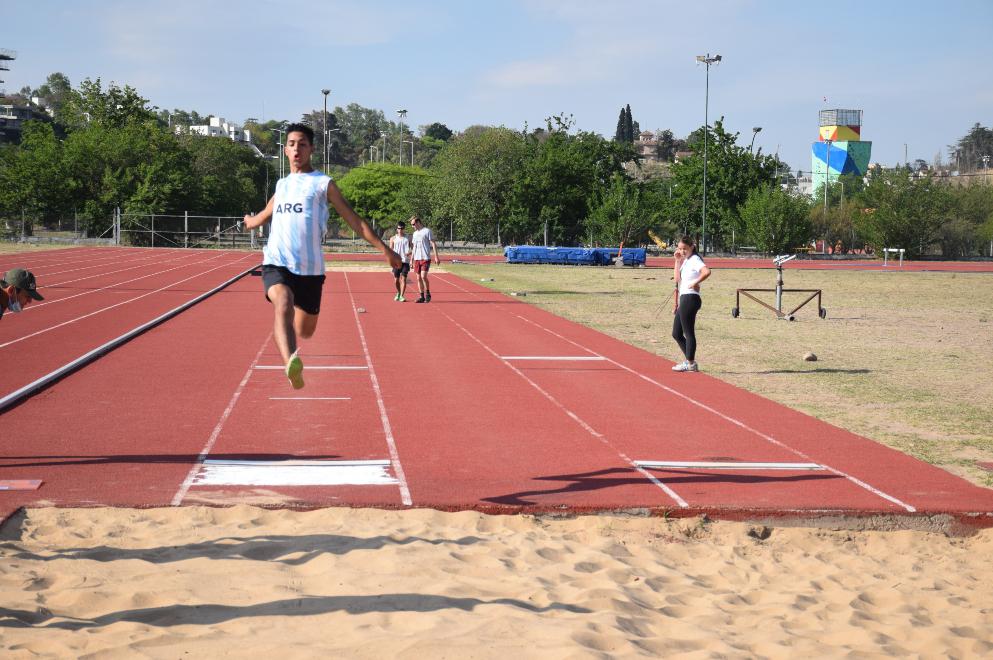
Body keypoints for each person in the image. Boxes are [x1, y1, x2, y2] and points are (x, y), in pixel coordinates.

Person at [243, 123, 401, 389]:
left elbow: (354, 221)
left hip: (311, 271)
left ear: (311, 149)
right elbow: (262, 216)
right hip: (277, 262)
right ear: (285, 150)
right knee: (282, 303)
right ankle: (291, 362)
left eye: (302, 144)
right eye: (292, 144)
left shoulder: (322, 184)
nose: (296, 149)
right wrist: (249, 221)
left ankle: (293, 342)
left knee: (306, 330)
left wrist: (384, 249)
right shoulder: (281, 186)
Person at [671, 236, 710, 372]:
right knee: (676, 333)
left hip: (690, 298)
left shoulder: (695, 259)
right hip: (684, 298)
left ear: (692, 247)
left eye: (684, 249)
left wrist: (695, 283)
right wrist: (677, 261)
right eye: (680, 249)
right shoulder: (686, 260)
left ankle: (690, 362)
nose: (682, 251)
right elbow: (677, 279)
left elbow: (706, 271)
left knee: (688, 332)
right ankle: (690, 360)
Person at [409, 215, 440, 303]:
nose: (412, 226)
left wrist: (436, 257)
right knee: (418, 278)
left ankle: (428, 293)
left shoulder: (427, 231)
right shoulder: (415, 234)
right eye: (411, 225)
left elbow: (433, 243)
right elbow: (414, 247)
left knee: (423, 276)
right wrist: (411, 260)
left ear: (418, 222)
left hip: (425, 258)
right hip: (417, 258)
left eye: (413, 224)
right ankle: (421, 296)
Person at [389, 221, 412, 301]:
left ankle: (402, 296)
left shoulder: (408, 238)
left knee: (404, 279)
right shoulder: (393, 238)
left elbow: (413, 248)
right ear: (397, 229)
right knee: (396, 280)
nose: (400, 230)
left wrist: (410, 252)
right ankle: (398, 292)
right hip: (396, 262)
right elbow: (390, 250)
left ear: (404, 229)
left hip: (405, 261)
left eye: (402, 228)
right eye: (399, 228)